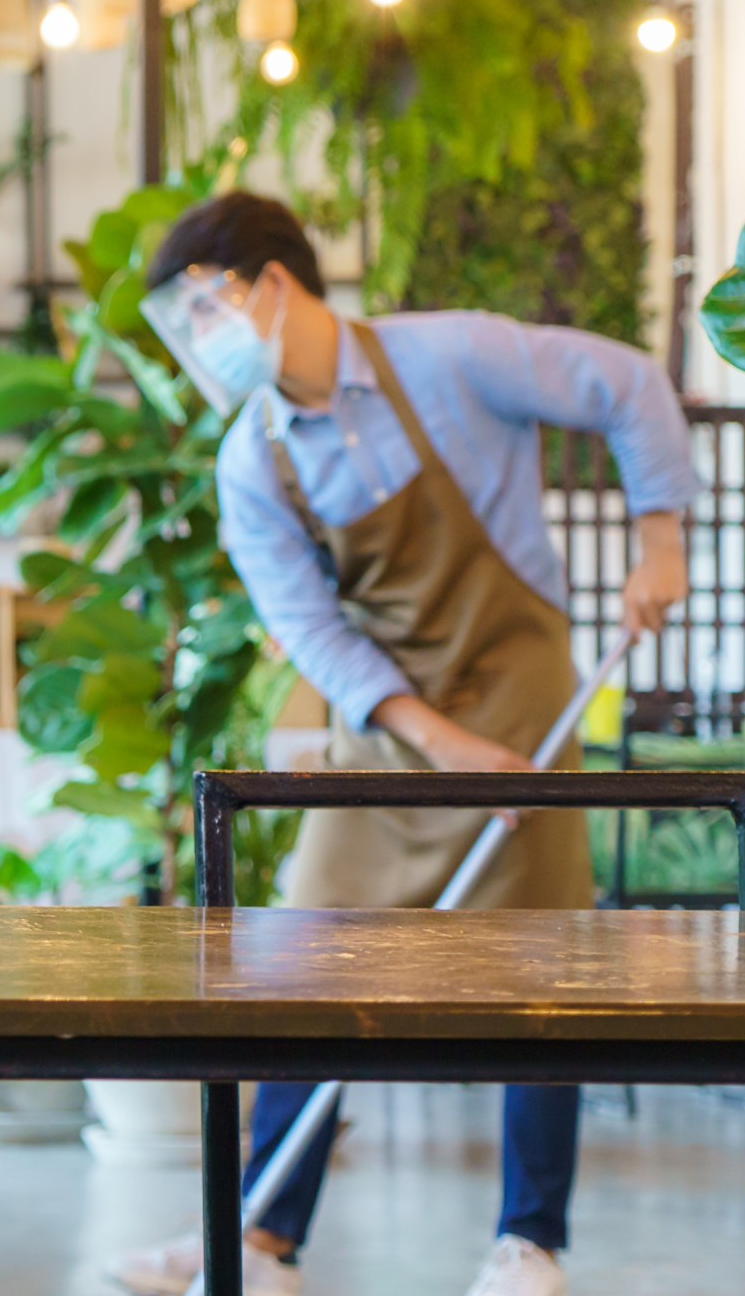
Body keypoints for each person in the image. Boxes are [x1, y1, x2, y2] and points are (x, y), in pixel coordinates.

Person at [110, 192, 694, 1296]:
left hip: (521, 703)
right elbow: (312, 632)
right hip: (389, 728)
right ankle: (260, 1239)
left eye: (203, 310)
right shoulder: (252, 464)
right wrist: (434, 741)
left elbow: (625, 383)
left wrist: (657, 538)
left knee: (543, 969)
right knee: (305, 958)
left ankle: (529, 1243)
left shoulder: (451, 356)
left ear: (272, 283)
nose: (196, 343)